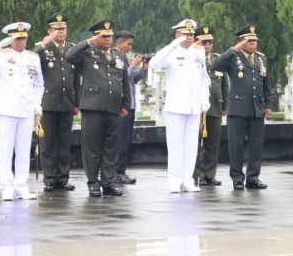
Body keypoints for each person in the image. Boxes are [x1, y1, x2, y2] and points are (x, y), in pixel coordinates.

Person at [0, 22, 44, 201]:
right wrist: (1, 44)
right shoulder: (1, 56)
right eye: (17, 38)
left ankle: (21, 186)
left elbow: (39, 84)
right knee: (6, 151)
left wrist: (37, 104)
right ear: (10, 39)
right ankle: (6, 187)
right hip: (6, 110)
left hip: (26, 110)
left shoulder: (33, 58)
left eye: (23, 38)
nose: (21, 41)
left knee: (23, 151)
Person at [65, 20, 131, 197]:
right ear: (95, 37)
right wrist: (89, 42)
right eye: (104, 36)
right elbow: (69, 56)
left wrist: (126, 104)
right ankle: (93, 182)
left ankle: (108, 183)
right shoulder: (87, 53)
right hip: (93, 107)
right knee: (92, 148)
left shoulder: (119, 56)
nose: (108, 39)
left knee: (110, 148)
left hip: (113, 107)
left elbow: (124, 81)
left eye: (110, 36)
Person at [148, 19, 211, 193]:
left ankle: (188, 180)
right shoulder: (171, 52)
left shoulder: (198, 53)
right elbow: (153, 64)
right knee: (176, 145)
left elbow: (204, 78)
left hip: (194, 106)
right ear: (177, 35)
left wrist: (205, 98)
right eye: (185, 34)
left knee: (191, 145)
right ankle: (174, 180)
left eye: (191, 34)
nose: (189, 37)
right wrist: (172, 45)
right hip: (176, 106)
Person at [213, 24, 273, 189]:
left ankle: (253, 177)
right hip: (238, 108)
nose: (254, 44)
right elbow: (216, 65)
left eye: (255, 41)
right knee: (236, 145)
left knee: (256, 145)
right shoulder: (233, 57)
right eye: (250, 41)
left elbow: (267, 84)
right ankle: (237, 178)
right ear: (241, 42)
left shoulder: (261, 59)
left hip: (257, 108)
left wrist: (268, 104)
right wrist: (233, 50)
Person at [33, 13, 80, 192]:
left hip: (67, 102)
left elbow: (76, 79)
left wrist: (76, 102)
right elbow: (31, 57)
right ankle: (50, 178)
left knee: (64, 142)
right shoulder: (43, 48)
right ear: (49, 31)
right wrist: (44, 43)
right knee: (48, 143)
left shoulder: (72, 49)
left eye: (63, 29)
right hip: (48, 102)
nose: (60, 32)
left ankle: (62, 178)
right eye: (56, 29)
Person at [193, 25, 228, 185]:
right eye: (204, 42)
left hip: (214, 106)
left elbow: (224, 85)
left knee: (213, 143)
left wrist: (225, 106)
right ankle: (196, 174)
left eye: (210, 42)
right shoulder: (193, 58)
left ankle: (209, 174)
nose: (207, 45)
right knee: (195, 143)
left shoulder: (217, 60)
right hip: (197, 107)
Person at [114, 31, 148, 185]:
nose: (130, 47)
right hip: (121, 106)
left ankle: (121, 170)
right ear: (119, 42)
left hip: (131, 105)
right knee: (120, 140)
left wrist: (144, 69)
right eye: (128, 44)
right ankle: (117, 171)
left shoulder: (125, 58)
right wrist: (133, 65)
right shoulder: (115, 58)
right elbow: (119, 78)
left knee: (126, 140)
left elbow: (133, 79)